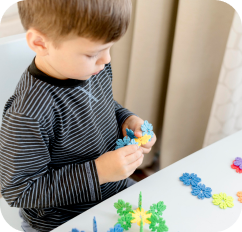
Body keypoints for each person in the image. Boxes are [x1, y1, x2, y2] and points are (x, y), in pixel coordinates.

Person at [0, 0, 157, 231]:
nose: (107, 60)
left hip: (114, 192)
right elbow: (20, 191)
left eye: (109, 47)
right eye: (93, 53)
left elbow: (101, 105)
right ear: (40, 43)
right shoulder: (28, 114)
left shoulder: (92, 69)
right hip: (63, 219)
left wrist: (126, 119)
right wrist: (99, 172)